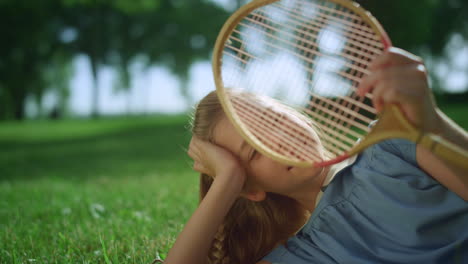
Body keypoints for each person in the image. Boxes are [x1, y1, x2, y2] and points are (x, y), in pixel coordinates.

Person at [163, 48, 468, 264]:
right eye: (255, 151)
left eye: (274, 120)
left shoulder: (389, 140)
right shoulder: (307, 252)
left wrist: (432, 124)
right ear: (251, 189)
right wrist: (226, 180)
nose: (280, 140)